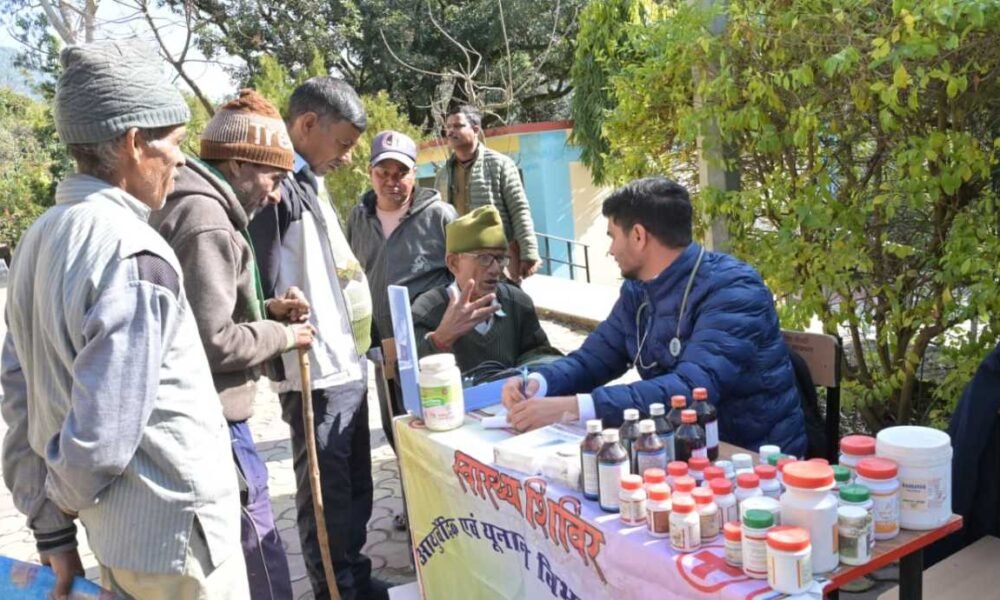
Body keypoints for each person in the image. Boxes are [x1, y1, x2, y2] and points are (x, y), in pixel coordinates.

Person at [1, 42, 247, 599]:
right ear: (136, 144)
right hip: (176, 548)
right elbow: (101, 438)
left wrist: (51, 524)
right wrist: (63, 501)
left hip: (121, 541)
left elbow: (20, 397)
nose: (182, 161)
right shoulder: (134, 252)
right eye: (177, 144)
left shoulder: (38, 240)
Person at [501, 176, 807, 455]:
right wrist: (538, 383)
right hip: (682, 446)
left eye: (612, 236)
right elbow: (593, 358)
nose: (610, 250)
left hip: (751, 458)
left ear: (638, 236)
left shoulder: (734, 289)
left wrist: (577, 407)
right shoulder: (640, 290)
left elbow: (690, 391)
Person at [149, 89, 315, 600]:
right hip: (216, 423)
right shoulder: (205, 220)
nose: (276, 196)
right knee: (259, 557)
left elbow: (199, 313)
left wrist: (266, 311)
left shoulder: (193, 205)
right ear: (239, 163)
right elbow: (213, 341)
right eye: (274, 178)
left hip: (198, 421)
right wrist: (285, 334)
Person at [248, 77, 388, 600]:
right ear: (307, 125)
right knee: (326, 496)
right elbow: (255, 285)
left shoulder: (311, 183)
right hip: (314, 373)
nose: (350, 158)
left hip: (347, 364)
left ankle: (353, 571)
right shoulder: (274, 187)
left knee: (355, 485)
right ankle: (336, 589)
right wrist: (276, 319)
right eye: (345, 144)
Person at [411, 206, 560, 382]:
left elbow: (539, 354)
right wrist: (441, 338)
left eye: (500, 258)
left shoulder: (516, 302)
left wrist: (522, 375)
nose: (496, 269)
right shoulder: (428, 308)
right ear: (453, 263)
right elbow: (407, 377)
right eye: (484, 258)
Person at [347, 130, 456, 344]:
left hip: (428, 339)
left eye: (401, 173)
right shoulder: (358, 218)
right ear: (370, 172)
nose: (392, 181)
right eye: (383, 173)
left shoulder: (440, 216)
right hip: (375, 341)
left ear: (414, 173)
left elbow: (463, 276)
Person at [433, 105, 540, 283]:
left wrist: (529, 252)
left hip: (497, 260)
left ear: (475, 129)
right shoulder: (443, 174)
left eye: (458, 126)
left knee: (505, 305)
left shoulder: (500, 165)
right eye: (448, 127)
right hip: (460, 263)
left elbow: (519, 210)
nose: (451, 132)